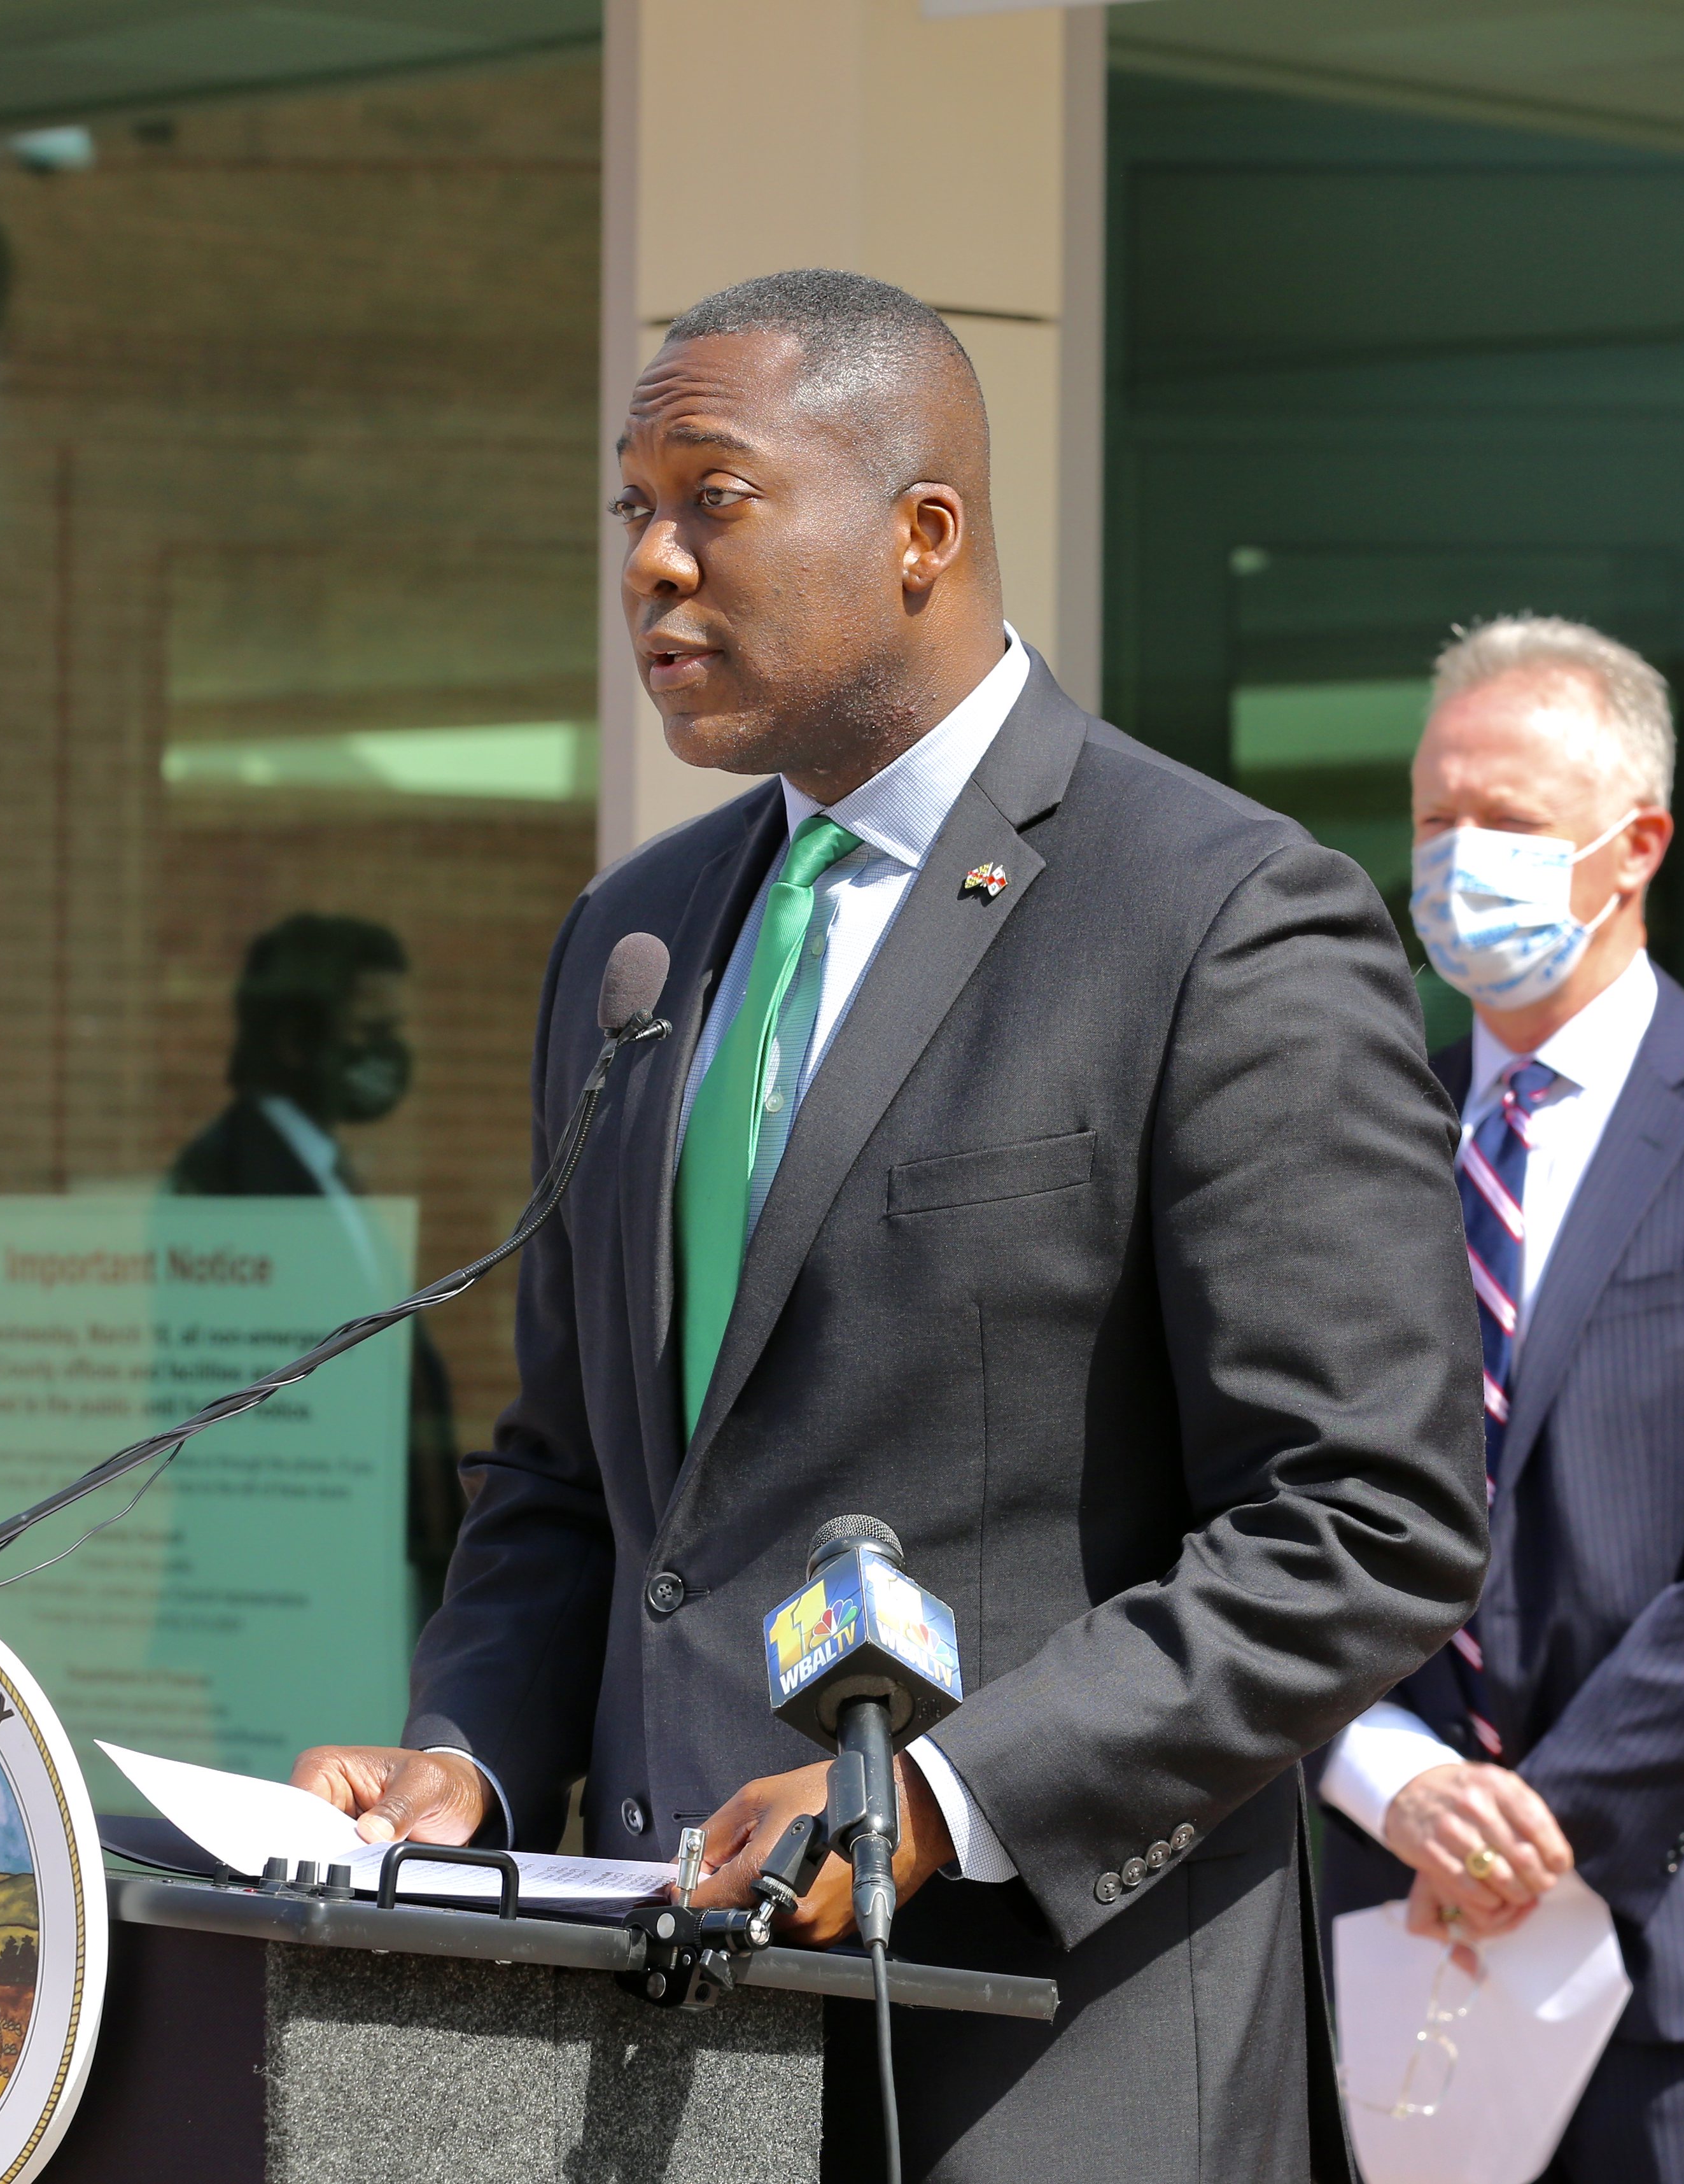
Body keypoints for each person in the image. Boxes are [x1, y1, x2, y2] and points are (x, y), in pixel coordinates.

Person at [287, 267, 1490, 2180]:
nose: (651, 563)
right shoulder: (633, 942)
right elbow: (576, 1481)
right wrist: (468, 1758)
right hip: (662, 2056)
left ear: (921, 532)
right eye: (632, 509)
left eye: (715, 497)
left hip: (1043, 2065)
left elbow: (1362, 1518)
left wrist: (933, 1796)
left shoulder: (1216, 918)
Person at [1310, 616, 1684, 2183]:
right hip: (1384, 1901)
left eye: (1505, 820)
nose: (1456, 859)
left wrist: (1541, 1814)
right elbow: (1275, 1492)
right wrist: (1388, 1774)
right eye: (1434, 818)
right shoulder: (1356, 1131)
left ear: (1634, 844)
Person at [168, 912, 463, 1589]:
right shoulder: (227, 1178)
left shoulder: (323, 1170)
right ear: (295, 1039)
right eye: (369, 1031)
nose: (389, 1053)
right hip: (285, 1574)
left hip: (369, 1558)